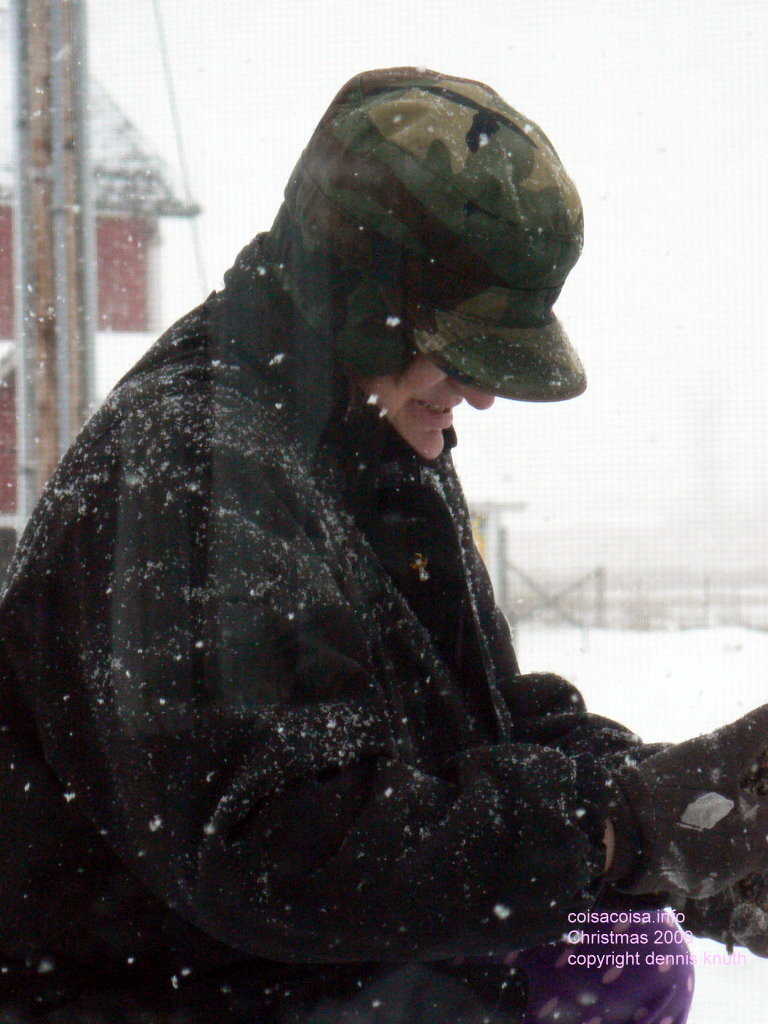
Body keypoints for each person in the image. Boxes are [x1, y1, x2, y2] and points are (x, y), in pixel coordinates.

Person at [1, 66, 767, 1024]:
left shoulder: (375, 429)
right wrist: (613, 827)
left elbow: (480, 716)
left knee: (626, 958)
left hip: (309, 970)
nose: (482, 392)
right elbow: (290, 853)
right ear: (358, 298)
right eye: (463, 348)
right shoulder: (190, 474)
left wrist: (689, 830)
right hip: (165, 992)